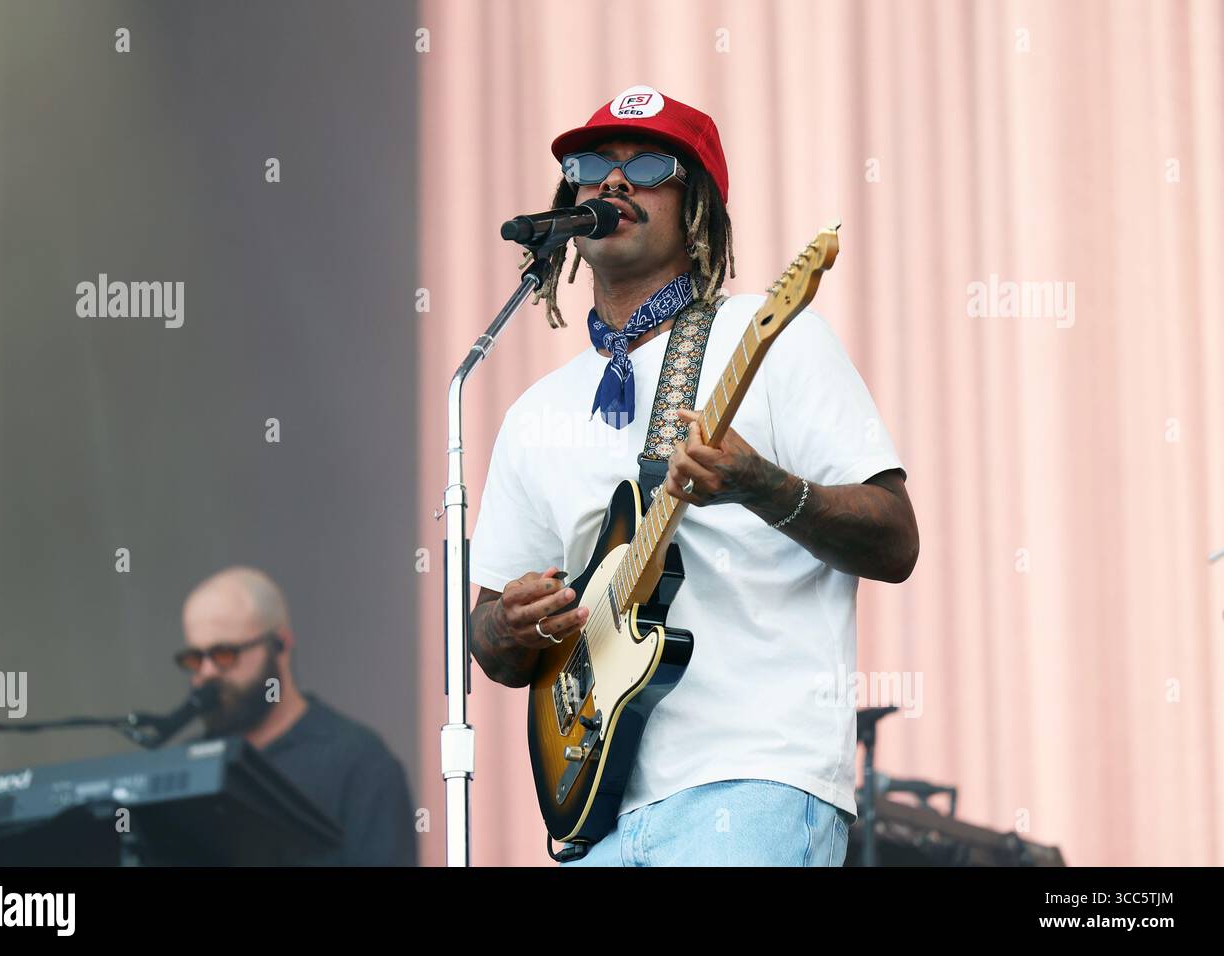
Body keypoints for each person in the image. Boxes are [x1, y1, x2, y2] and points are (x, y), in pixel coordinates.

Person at [468, 85, 919, 866]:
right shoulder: (535, 411)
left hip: (754, 781)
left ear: (699, 203)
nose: (612, 183)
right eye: (590, 166)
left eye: (647, 165)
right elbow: (491, 637)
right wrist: (511, 626)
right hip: (599, 818)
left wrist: (764, 487)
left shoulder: (773, 338)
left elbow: (895, 541)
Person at [178, 566, 416, 866]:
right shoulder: (186, 766)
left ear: (281, 644)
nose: (207, 673)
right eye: (194, 659)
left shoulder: (360, 764)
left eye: (225, 654)